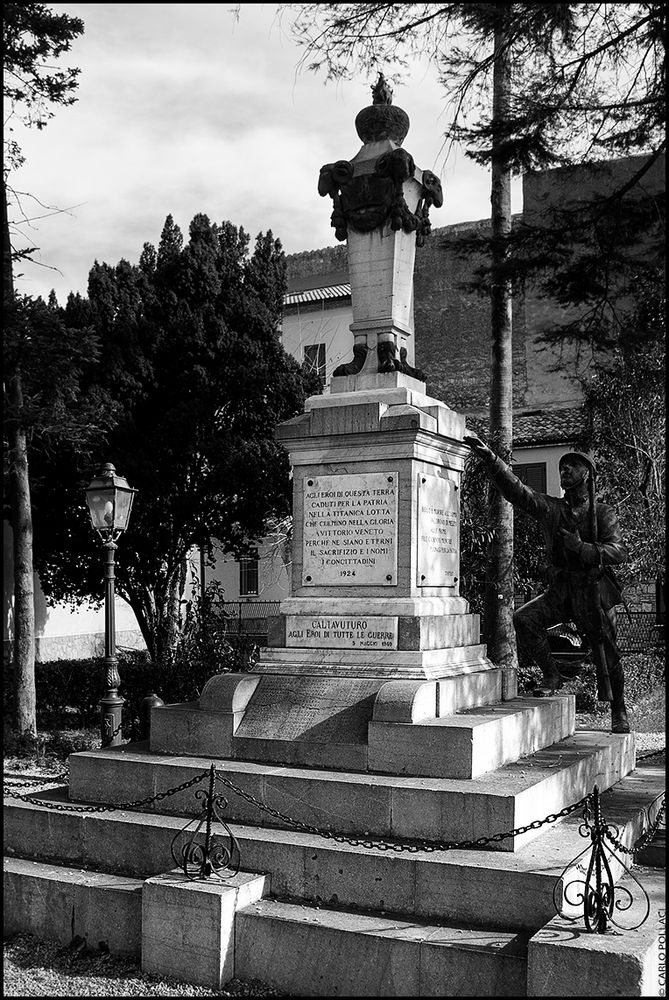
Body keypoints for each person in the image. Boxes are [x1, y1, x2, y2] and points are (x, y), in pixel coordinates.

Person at [463, 434, 630, 734]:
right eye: (562, 467)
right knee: (524, 620)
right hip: (563, 591)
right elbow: (519, 492)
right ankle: (552, 676)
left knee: (608, 654)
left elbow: (619, 551)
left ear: (587, 475)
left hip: (594, 593)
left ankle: (619, 710)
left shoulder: (603, 513)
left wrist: (583, 548)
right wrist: (492, 461)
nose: (564, 471)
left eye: (572, 466)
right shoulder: (553, 509)